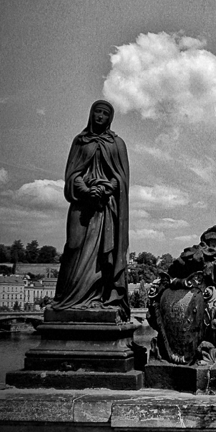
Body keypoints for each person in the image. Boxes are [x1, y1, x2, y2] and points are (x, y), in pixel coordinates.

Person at [52, 100, 130, 319]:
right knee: (73, 246)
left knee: (102, 254)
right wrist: (85, 190)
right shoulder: (80, 141)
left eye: (105, 113)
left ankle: (98, 297)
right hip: (82, 201)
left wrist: (106, 189)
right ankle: (67, 298)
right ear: (91, 114)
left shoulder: (117, 143)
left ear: (109, 118)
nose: (100, 116)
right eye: (97, 112)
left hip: (105, 206)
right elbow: (71, 173)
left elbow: (121, 178)